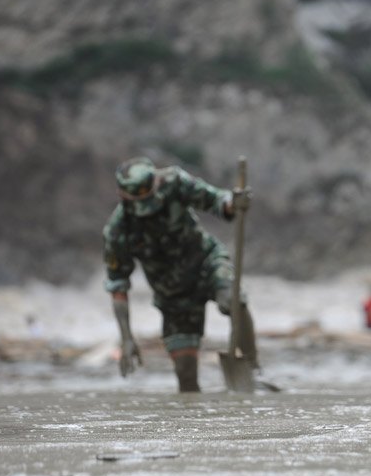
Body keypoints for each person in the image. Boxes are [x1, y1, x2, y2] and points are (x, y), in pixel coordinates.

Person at [102, 156, 258, 392]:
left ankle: (252, 367)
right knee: (185, 374)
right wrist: (126, 338)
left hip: (206, 263)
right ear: (123, 196)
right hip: (172, 294)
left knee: (232, 301)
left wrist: (233, 203)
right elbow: (118, 286)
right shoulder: (118, 231)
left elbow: (215, 200)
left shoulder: (174, 182)